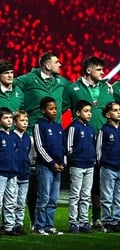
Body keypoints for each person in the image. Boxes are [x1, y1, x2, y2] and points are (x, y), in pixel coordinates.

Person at [63, 56, 113, 226]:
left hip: (106, 141)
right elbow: (58, 107)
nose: (103, 72)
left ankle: (98, 218)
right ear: (88, 70)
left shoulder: (107, 88)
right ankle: (77, 220)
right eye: (99, 69)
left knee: (101, 181)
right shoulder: (72, 88)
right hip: (82, 143)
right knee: (81, 187)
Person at [33, 96, 65, 235]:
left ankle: (49, 225)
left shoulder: (58, 127)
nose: (54, 111)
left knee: (53, 199)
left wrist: (63, 163)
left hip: (58, 167)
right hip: (45, 167)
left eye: (55, 109)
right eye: (50, 109)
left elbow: (63, 147)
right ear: (43, 110)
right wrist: (52, 163)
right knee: (44, 198)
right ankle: (39, 226)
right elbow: (40, 147)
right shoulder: (39, 125)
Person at [0, 107, 19, 237]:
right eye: (5, 118)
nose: (9, 120)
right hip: (0, 173)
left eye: (10, 118)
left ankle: (9, 226)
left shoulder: (13, 136)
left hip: (12, 173)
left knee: (11, 201)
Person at [66, 100, 96, 233]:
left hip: (90, 165)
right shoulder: (73, 127)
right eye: (86, 111)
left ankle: (84, 222)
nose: (89, 114)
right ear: (78, 113)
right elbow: (69, 146)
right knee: (75, 195)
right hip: (77, 165)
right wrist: (75, 158)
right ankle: (73, 222)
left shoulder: (90, 128)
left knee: (85, 195)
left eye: (90, 111)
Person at [15, 53, 66, 126]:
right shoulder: (29, 79)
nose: (60, 64)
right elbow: (9, 85)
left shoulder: (61, 81)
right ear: (48, 66)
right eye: (56, 62)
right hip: (34, 129)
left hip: (55, 129)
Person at [96, 102, 120, 232]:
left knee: (118, 197)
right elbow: (98, 150)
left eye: (119, 110)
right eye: (115, 110)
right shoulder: (104, 130)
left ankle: (116, 220)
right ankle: (106, 221)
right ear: (107, 115)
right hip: (108, 168)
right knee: (107, 197)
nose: (118, 112)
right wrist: (103, 163)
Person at [11, 110, 32, 235]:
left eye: (26, 121)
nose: (25, 123)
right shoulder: (11, 136)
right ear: (15, 122)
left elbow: (28, 153)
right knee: (11, 201)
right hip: (13, 173)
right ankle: (9, 223)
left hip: (25, 173)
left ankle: (19, 224)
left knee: (21, 202)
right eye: (22, 120)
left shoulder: (28, 138)